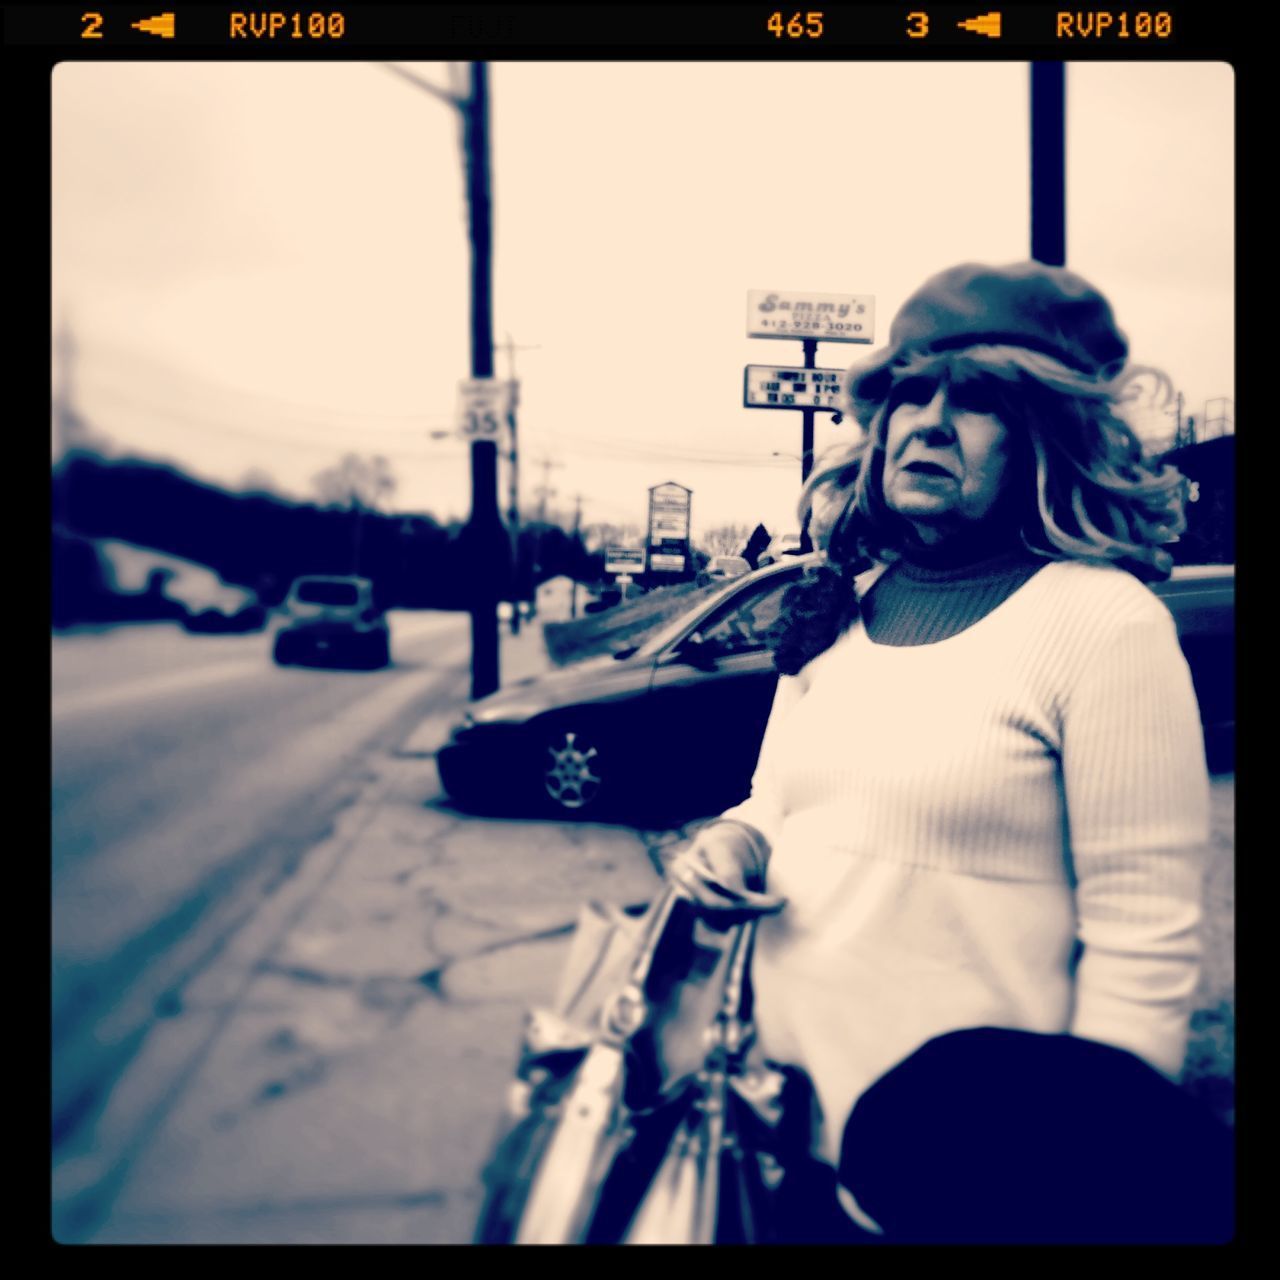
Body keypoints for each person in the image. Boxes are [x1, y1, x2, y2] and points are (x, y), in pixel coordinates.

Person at [667, 260, 1233, 1244]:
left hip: (966, 1190)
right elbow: (773, 799)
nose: (927, 421)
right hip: (775, 1139)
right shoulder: (844, 601)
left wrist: (1076, 1183)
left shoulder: (1104, 625)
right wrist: (729, 843)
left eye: (974, 402)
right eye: (908, 392)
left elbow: (1141, 951)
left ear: (1041, 436)